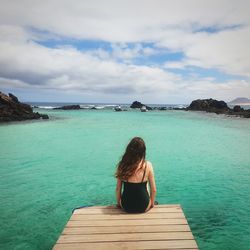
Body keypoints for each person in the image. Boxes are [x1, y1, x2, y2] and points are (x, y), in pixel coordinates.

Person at [115, 137, 157, 213]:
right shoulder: (148, 165)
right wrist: (152, 204)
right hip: (143, 206)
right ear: (143, 151)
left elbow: (118, 188)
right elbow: (153, 190)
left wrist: (119, 203)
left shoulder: (123, 165)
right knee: (146, 185)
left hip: (126, 206)